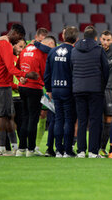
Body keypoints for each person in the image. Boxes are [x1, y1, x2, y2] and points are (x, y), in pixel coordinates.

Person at [0, 24, 39, 156]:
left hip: (0, 84)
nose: (19, 40)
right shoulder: (5, 45)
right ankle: (1, 149)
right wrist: (27, 75)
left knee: (7, 116)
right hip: (1, 85)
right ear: (15, 33)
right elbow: (11, 68)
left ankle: (11, 147)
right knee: (2, 116)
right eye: (20, 37)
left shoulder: (1, 44)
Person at [71, 26, 109, 158]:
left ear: (83, 37)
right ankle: (93, 152)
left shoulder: (75, 50)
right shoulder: (99, 50)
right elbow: (106, 70)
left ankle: (81, 151)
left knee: (81, 120)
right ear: (96, 38)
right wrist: (101, 86)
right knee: (94, 120)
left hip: (78, 89)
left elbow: (72, 68)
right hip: (95, 90)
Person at [16, 35, 55, 157]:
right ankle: (31, 149)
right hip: (35, 87)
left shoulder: (26, 49)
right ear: (47, 44)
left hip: (22, 87)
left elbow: (17, 67)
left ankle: (21, 149)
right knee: (33, 118)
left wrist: (21, 77)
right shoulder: (41, 52)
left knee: (25, 117)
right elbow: (44, 72)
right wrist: (47, 85)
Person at [44, 26, 79, 158]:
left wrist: (48, 89)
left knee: (58, 119)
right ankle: (67, 151)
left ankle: (58, 150)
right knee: (69, 120)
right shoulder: (75, 52)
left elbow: (47, 73)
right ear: (76, 39)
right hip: (69, 89)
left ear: (63, 37)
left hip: (55, 89)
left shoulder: (52, 52)